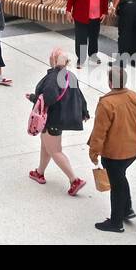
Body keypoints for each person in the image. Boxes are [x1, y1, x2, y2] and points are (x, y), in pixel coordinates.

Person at [88, 63, 136, 232]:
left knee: (116, 185)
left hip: (114, 153)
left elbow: (99, 132)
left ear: (110, 83)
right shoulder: (135, 97)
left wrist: (94, 152)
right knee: (120, 177)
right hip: (133, 149)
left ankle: (116, 222)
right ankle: (127, 209)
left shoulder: (106, 103)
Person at [28, 48, 87, 195]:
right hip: (60, 119)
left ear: (54, 60)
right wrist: (84, 112)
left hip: (52, 120)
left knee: (55, 151)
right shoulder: (70, 76)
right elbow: (79, 96)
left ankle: (75, 180)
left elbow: (48, 98)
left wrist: (33, 98)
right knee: (46, 145)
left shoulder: (53, 77)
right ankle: (39, 172)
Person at [67, 0, 109, 69]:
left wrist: (104, 12)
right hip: (81, 16)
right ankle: (81, 58)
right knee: (81, 38)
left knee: (94, 37)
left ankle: (93, 54)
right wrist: (68, 11)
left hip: (96, 16)